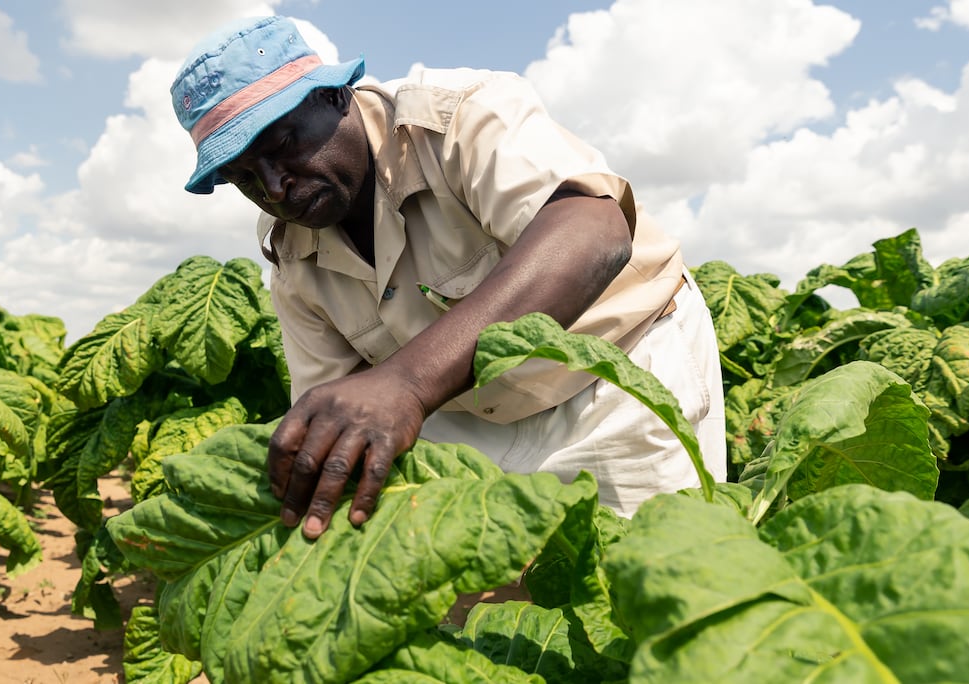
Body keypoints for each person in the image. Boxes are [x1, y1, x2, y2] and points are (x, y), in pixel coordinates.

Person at [171, 15, 727, 539]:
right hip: (470, 419)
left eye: (284, 145)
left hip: (618, 379)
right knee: (497, 611)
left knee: (649, 592)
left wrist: (406, 384)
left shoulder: (455, 116)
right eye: (243, 176)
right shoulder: (292, 252)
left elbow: (594, 231)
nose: (273, 188)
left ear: (336, 95)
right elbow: (332, 404)